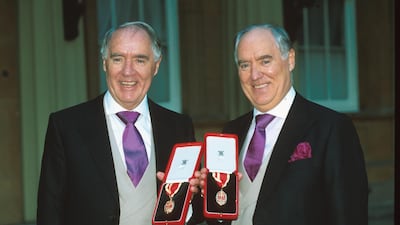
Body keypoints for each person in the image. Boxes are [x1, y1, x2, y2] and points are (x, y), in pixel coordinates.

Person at [37, 21, 203, 225]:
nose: (128, 72)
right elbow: (49, 212)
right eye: (118, 59)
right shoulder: (66, 126)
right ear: (104, 63)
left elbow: (196, 211)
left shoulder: (179, 126)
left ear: (156, 66)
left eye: (140, 60)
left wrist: (187, 203)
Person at [204, 24, 368, 225]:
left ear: (290, 59)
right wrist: (210, 197)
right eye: (244, 65)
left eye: (265, 61)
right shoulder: (231, 132)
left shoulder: (331, 128)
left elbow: (349, 216)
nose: (254, 75)